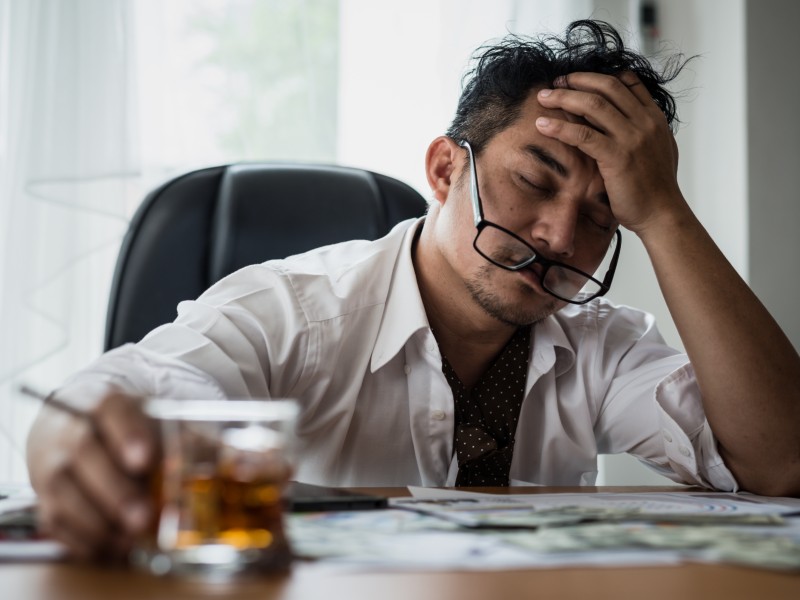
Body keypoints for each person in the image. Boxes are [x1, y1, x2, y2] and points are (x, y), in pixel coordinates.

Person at [26, 20, 800, 560]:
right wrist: (79, 436)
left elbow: (780, 464)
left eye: (605, 215)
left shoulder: (601, 341)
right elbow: (131, 389)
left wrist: (662, 212)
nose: (562, 237)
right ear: (443, 169)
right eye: (534, 180)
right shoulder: (298, 310)